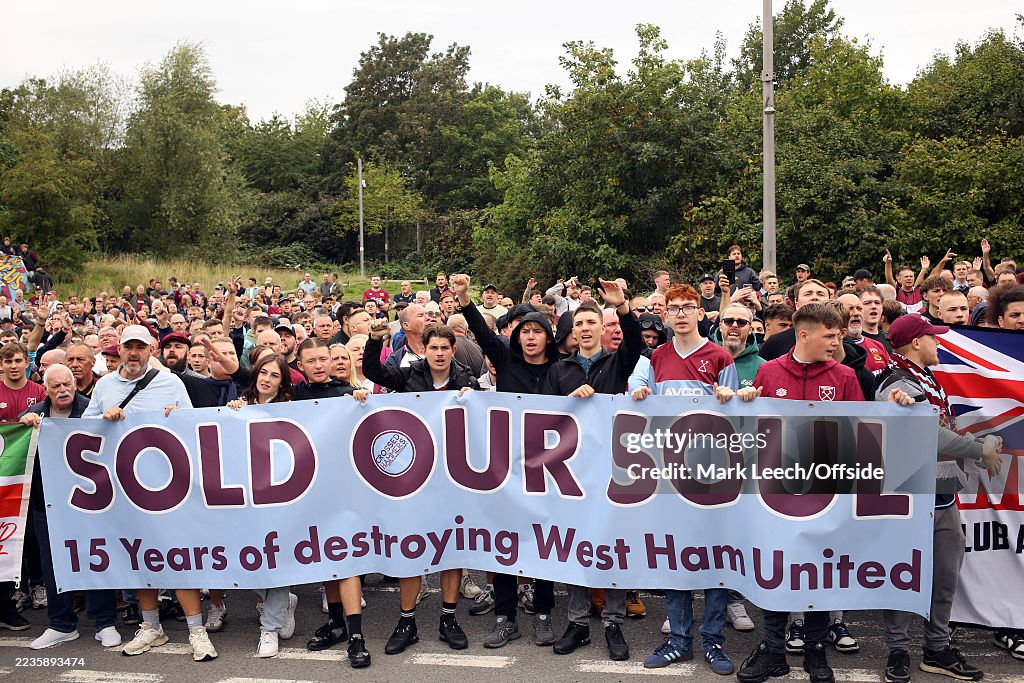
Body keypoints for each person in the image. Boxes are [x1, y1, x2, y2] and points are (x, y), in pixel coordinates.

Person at [875, 314, 1003, 683]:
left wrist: (976, 447)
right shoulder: (893, 382)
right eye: (933, 337)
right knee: (899, 576)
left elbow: (943, 428)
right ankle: (898, 650)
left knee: (945, 576)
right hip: (906, 500)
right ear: (916, 343)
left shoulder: (926, 379)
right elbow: (926, 431)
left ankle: (937, 648)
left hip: (941, 495)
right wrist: (978, 450)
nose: (939, 342)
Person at [81, 325, 216, 661]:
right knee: (141, 557)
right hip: (125, 486)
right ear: (119, 350)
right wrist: (103, 418)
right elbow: (83, 428)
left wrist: (179, 416)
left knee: (178, 557)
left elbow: (193, 425)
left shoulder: (170, 382)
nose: (134, 353)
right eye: (128, 347)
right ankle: (151, 626)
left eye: (140, 347)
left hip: (168, 485)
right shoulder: (105, 386)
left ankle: (196, 631)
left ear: (151, 350)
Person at [631, 284, 738, 675]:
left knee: (715, 557)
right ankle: (679, 639)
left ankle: (712, 639)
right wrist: (639, 392)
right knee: (675, 556)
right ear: (665, 314)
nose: (680, 314)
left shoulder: (720, 356)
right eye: (673, 308)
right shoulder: (656, 356)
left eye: (687, 307)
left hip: (711, 472)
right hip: (669, 472)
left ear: (699, 312)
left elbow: (736, 412)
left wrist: (729, 396)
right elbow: (637, 390)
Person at [452, 273, 560, 648]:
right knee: (506, 546)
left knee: (544, 545)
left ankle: (543, 614)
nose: (529, 337)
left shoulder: (561, 370)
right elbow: (483, 334)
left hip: (547, 473)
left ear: (549, 337)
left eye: (537, 331)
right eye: (524, 331)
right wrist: (465, 299)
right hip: (507, 471)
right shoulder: (505, 361)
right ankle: (505, 618)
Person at [542, 280, 643, 663]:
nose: (585, 329)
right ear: (572, 331)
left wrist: (623, 307)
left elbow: (635, 343)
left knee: (611, 547)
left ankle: (613, 623)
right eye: (579, 324)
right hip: (572, 474)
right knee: (577, 547)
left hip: (613, 470)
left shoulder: (617, 362)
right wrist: (569, 401)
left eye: (591, 322)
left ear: (602, 328)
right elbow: (543, 418)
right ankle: (578, 623)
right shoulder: (559, 370)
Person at [363, 321, 476, 656]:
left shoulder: (467, 380)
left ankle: (448, 618)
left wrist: (475, 399)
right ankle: (407, 621)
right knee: (410, 548)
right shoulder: (408, 374)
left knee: (451, 549)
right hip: (413, 478)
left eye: (444, 348)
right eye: (433, 348)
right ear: (423, 350)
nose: (439, 354)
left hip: (451, 480)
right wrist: (374, 340)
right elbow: (372, 371)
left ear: (453, 351)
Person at [23, 365, 120, 649]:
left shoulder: (92, 411)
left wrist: (111, 419)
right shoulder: (34, 415)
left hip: (90, 503)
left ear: (75, 384)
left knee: (97, 559)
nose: (63, 390)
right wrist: (23, 425)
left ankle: (104, 622)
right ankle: (61, 624)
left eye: (67, 384)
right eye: (56, 386)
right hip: (47, 504)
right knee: (53, 564)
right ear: (45, 389)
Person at [222, 355, 302, 659]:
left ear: (283, 383)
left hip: (280, 500)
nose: (267, 379)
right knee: (245, 562)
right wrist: (230, 415)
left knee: (276, 563)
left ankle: (269, 629)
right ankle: (282, 603)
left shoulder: (292, 410)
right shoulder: (238, 407)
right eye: (263, 373)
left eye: (274, 375)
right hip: (244, 500)